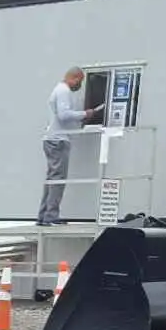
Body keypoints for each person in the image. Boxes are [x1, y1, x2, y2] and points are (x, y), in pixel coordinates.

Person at [38, 67, 105, 226]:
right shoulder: (64, 91)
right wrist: (84, 114)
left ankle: (43, 216)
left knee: (52, 180)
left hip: (52, 138)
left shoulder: (58, 90)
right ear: (74, 78)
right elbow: (64, 114)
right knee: (57, 180)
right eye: (80, 81)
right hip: (58, 140)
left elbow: (61, 116)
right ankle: (50, 217)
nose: (80, 85)